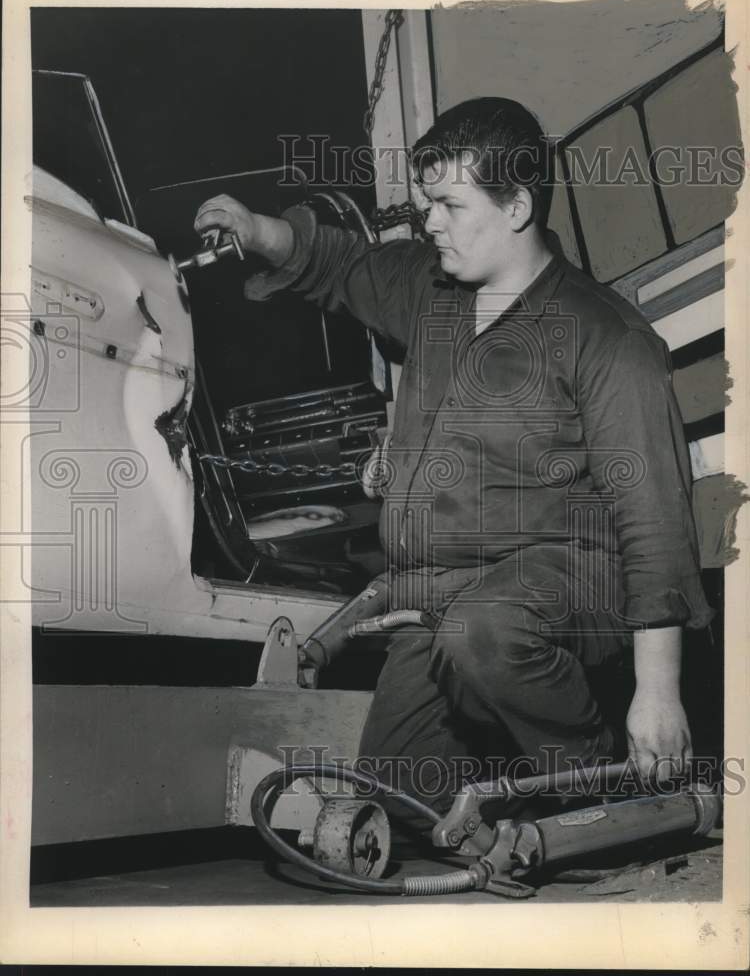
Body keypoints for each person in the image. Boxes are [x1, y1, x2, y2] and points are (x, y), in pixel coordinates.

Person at [193, 98, 713, 835]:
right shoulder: (430, 290)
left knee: (484, 630)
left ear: (517, 206)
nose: (429, 221)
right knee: (398, 806)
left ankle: (609, 797)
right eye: (426, 201)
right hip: (444, 595)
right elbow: (341, 264)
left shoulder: (607, 338)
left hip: (572, 581)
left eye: (447, 203)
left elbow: (656, 525)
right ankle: (510, 783)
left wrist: (658, 694)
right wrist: (258, 231)